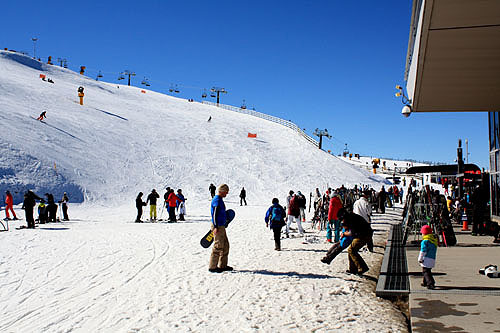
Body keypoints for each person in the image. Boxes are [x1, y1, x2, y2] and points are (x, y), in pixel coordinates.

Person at [337, 208, 373, 275]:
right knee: (351, 249)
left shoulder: (350, 220)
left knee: (351, 250)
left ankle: (362, 267)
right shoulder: (351, 216)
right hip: (364, 233)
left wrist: (344, 234)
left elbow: (351, 233)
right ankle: (353, 269)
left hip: (364, 235)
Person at [209, 184, 232, 273]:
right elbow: (214, 214)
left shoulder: (220, 200)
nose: (226, 194)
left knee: (225, 245)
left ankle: (223, 265)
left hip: (221, 226)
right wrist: (215, 226)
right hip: (217, 226)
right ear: (221, 191)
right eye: (226, 192)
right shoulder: (217, 200)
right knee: (218, 246)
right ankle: (212, 267)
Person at [419, 225, 437, 289]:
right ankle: (425, 282)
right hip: (432, 258)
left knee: (426, 272)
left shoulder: (425, 241)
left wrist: (420, 259)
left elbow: (423, 251)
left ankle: (430, 283)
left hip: (426, 259)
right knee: (427, 270)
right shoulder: (433, 240)